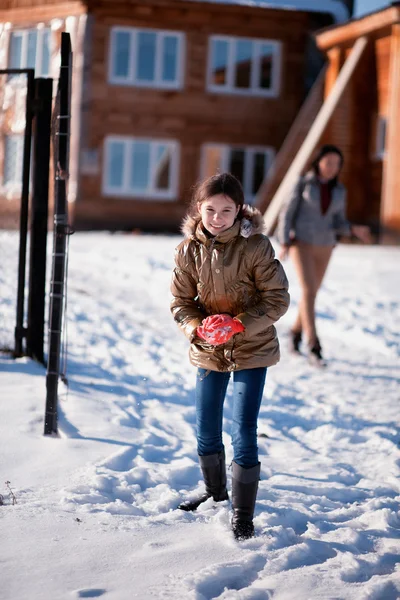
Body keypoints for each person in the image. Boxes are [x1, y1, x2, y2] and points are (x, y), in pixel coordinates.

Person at [170, 172, 289, 540]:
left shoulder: (256, 246)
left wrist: (237, 325)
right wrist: (197, 328)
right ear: (199, 209)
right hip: (209, 349)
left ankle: (243, 512)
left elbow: (278, 300)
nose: (217, 218)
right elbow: (180, 302)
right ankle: (214, 489)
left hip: (252, 348)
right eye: (210, 210)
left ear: (240, 210)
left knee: (243, 430)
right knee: (206, 428)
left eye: (226, 210)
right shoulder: (188, 249)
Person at [277, 144, 371, 366]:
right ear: (318, 162)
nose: (332, 167)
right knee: (309, 290)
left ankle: (295, 333)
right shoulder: (302, 184)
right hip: (302, 243)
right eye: (328, 162)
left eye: (337, 164)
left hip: (326, 246)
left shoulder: (340, 191)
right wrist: (284, 241)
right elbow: (287, 213)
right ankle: (314, 345)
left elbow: (337, 221)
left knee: (312, 293)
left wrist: (353, 229)